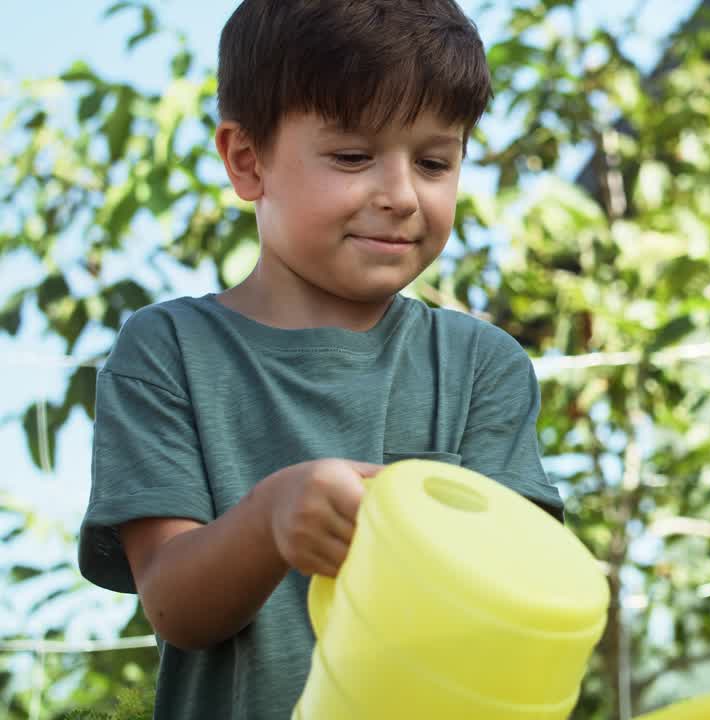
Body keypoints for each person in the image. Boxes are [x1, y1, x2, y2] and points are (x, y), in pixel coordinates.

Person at [76, 1, 564, 718]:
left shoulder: (481, 365)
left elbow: (521, 592)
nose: (400, 195)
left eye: (434, 162)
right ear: (248, 162)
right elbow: (174, 606)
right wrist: (273, 518)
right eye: (353, 156)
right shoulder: (167, 352)